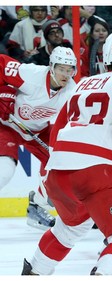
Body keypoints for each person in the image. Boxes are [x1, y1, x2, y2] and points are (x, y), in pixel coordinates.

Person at [21, 33, 112, 275]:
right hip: (99, 169)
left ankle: (34, 272)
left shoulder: (82, 83)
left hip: (59, 170)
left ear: (105, 60)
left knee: (68, 230)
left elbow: (57, 131)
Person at [0, 46, 77, 230]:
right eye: (61, 69)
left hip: (37, 131)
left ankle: (37, 206)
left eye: (69, 70)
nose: (65, 75)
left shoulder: (72, 92)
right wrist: (5, 93)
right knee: (5, 170)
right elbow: (1, 63)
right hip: (7, 124)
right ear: (51, 67)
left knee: (61, 162)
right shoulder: (31, 74)